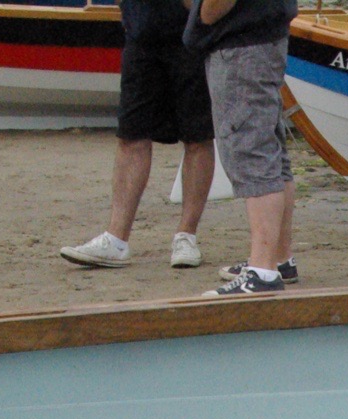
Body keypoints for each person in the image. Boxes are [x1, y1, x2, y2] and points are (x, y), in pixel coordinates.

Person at [60, 0, 215, 270]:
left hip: (194, 37)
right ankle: (116, 238)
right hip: (141, 34)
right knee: (131, 134)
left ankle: (186, 236)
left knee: (197, 137)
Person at [185, 0, 298, 295]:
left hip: (242, 46)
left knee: (251, 151)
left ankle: (262, 271)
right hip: (265, 37)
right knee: (271, 151)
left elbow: (215, 8)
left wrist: (206, 14)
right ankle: (278, 258)